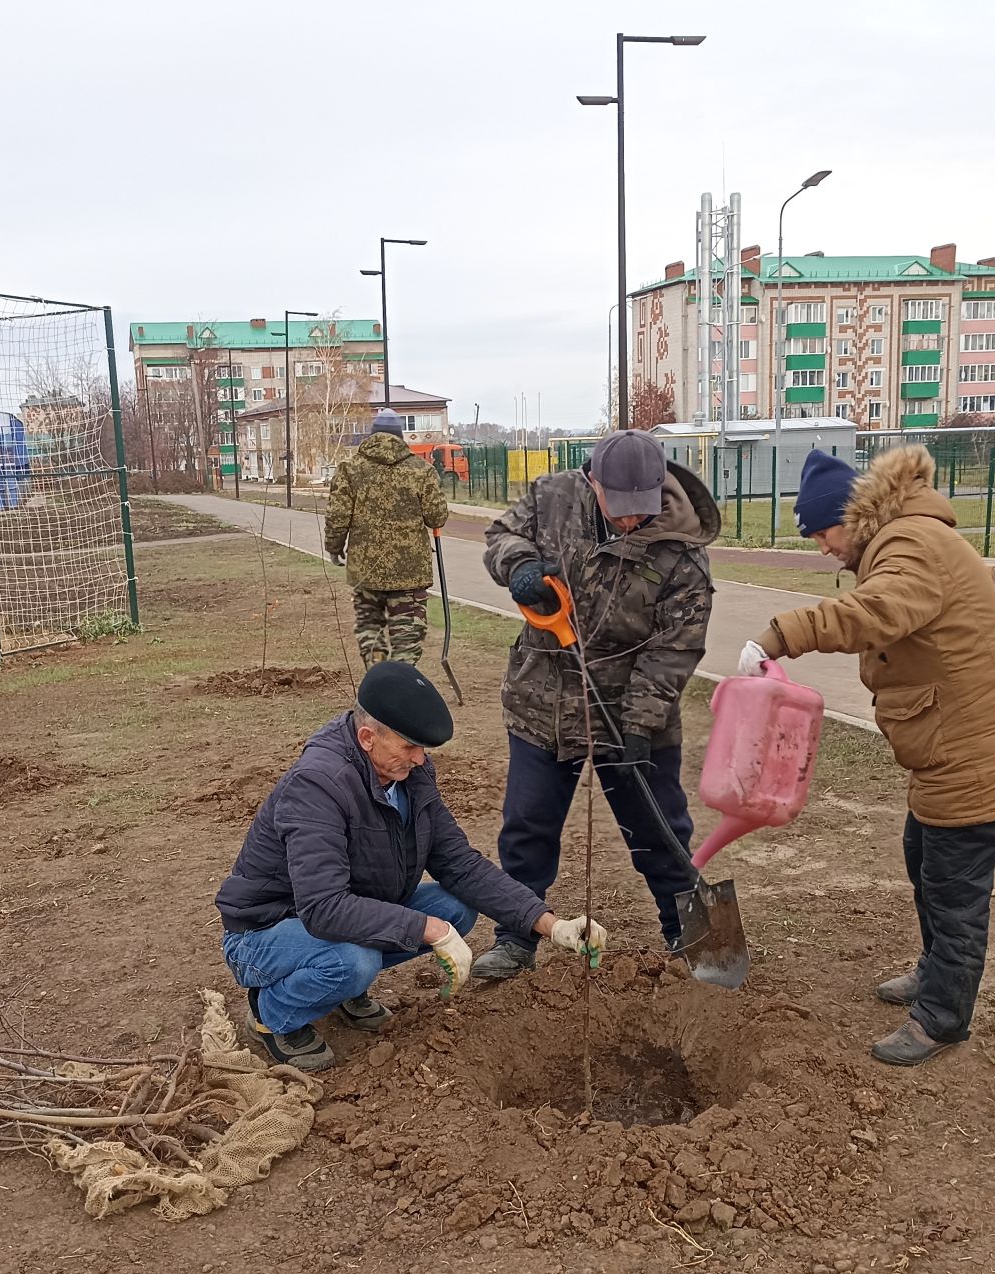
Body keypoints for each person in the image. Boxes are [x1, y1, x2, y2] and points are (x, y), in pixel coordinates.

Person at [739, 446, 995, 1067]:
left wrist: (781, 634)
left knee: (955, 892)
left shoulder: (912, 548)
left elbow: (876, 612)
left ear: (854, 516)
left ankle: (942, 1019)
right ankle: (935, 976)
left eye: (822, 530)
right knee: (923, 861)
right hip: (948, 751)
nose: (821, 545)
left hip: (971, 755)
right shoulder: (905, 540)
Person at [215, 661, 607, 1071]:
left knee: (455, 906)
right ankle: (272, 1013)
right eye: (409, 747)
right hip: (265, 931)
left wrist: (550, 924)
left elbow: (460, 864)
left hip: (340, 914)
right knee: (356, 961)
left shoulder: (408, 774)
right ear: (367, 737)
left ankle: (340, 990)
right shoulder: (318, 785)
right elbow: (324, 907)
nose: (421, 759)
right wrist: (428, 929)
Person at [473, 429, 718, 978]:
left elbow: (674, 651)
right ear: (592, 483)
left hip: (635, 710)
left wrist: (639, 728)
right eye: (620, 507)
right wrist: (518, 567)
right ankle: (516, 935)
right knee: (527, 827)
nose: (631, 520)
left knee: (659, 830)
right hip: (544, 702)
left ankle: (691, 940)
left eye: (642, 508)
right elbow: (500, 534)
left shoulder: (684, 556)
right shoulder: (552, 497)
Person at [323, 409, 448, 666]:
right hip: (409, 573)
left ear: (372, 434)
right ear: (401, 436)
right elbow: (437, 518)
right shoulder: (421, 471)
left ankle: (377, 685)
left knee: (370, 631)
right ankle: (401, 687)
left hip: (365, 571)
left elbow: (338, 517)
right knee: (407, 639)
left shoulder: (350, 469)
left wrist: (334, 547)